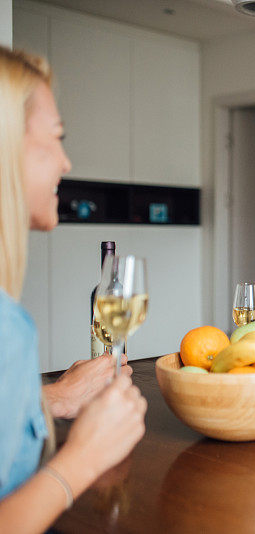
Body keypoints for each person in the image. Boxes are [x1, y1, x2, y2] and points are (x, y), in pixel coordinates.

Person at [0, 47, 146, 532]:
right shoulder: (6, 327)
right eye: (56, 138)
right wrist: (83, 458)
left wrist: (55, 397)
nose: (65, 161)